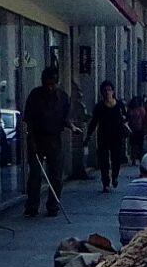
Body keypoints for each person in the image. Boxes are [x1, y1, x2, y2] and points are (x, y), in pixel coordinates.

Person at [22, 66, 79, 217]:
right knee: (35, 175)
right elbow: (29, 120)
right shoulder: (35, 95)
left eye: (52, 84)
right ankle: (32, 205)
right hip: (37, 138)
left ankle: (53, 205)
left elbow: (65, 118)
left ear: (57, 82)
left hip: (54, 139)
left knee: (56, 175)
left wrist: (72, 127)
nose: (49, 87)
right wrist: (31, 139)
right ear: (42, 82)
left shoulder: (63, 98)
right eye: (47, 84)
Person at [86, 80, 127, 192]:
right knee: (103, 160)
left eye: (109, 90)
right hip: (103, 136)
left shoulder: (119, 105)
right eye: (105, 90)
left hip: (117, 136)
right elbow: (94, 122)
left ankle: (115, 176)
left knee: (116, 159)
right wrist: (88, 136)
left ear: (113, 91)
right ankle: (105, 182)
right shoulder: (99, 106)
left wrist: (124, 119)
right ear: (102, 93)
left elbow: (126, 117)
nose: (107, 92)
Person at [127, 95, 147, 163]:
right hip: (132, 129)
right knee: (133, 144)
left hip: (140, 129)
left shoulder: (141, 109)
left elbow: (144, 119)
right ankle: (134, 158)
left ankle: (140, 158)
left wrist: (145, 128)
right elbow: (128, 118)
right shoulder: (130, 109)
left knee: (140, 144)